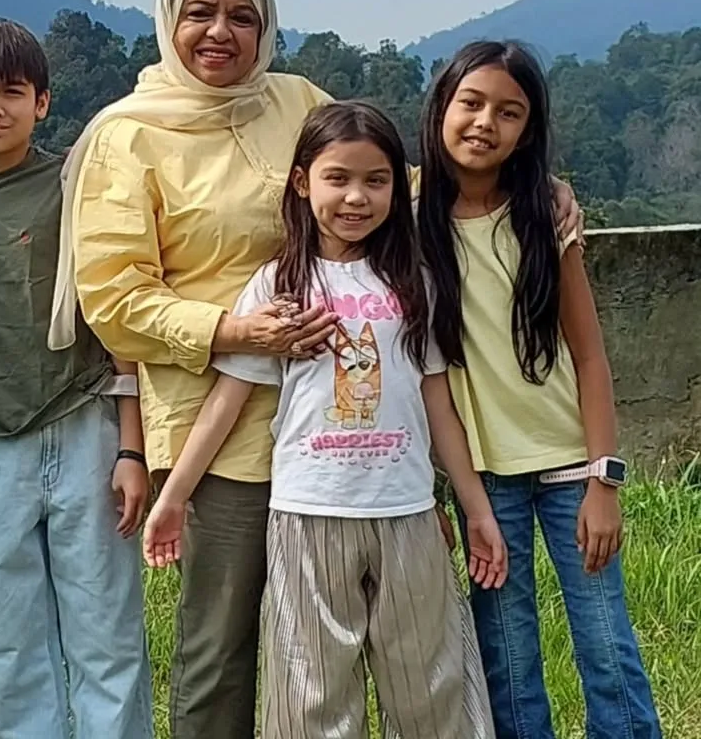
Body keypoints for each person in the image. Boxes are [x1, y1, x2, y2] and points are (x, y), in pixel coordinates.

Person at [53, 0, 583, 739]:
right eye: (201, 13)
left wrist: (523, 185)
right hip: (223, 427)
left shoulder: (293, 99)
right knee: (224, 649)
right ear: (168, 20)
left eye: (242, 16)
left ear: (267, 25)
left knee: (393, 655)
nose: (220, 32)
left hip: (363, 451)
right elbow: (114, 297)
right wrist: (238, 330)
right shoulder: (127, 136)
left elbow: (382, 176)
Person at [143, 100, 503, 737]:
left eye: (376, 180)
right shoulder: (278, 285)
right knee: (310, 698)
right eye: (338, 178)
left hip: (406, 512)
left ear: (397, 187)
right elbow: (228, 399)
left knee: (432, 688)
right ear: (302, 182)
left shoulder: (415, 283)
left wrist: (475, 510)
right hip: (307, 514)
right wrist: (173, 497)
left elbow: (437, 403)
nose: (356, 197)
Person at [418, 40, 662, 739]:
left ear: (528, 132)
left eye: (509, 112)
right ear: (441, 107)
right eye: (470, 103)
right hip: (484, 480)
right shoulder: (408, 220)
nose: (484, 122)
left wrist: (604, 481)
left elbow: (590, 358)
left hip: (570, 469)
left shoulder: (544, 219)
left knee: (607, 643)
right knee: (508, 654)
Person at [0, 18, 154, 738]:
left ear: (43, 103)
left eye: (13, 92)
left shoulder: (74, 188)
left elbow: (114, 311)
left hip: (85, 422)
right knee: (6, 640)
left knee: (106, 630)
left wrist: (132, 446)